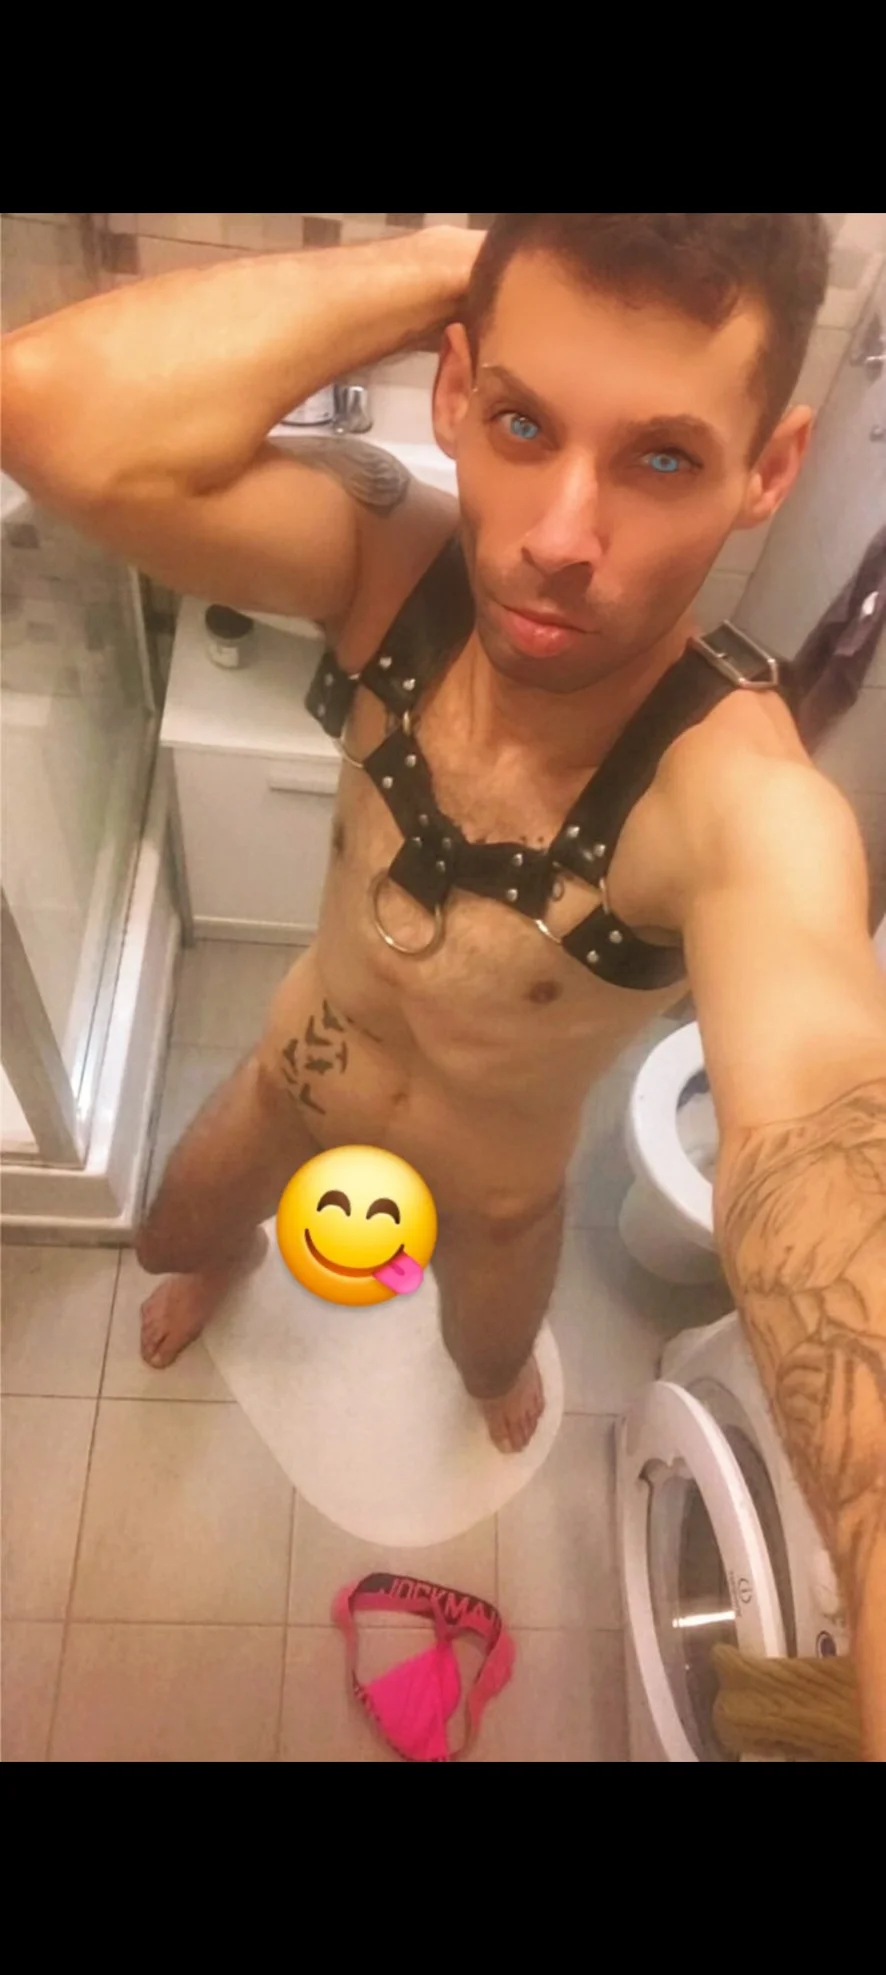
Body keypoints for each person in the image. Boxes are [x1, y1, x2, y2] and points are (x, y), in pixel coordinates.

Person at [4, 215, 885, 1756]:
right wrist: (455, 263)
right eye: (524, 422)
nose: (559, 535)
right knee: (165, 1240)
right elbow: (47, 412)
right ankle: (225, 1259)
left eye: (660, 457)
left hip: (497, 1189)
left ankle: (474, 1378)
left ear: (768, 470)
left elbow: (821, 1124)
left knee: (485, 1363)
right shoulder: (385, 573)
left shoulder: (743, 805)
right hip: (297, 1070)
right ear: (458, 390)